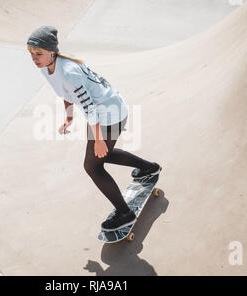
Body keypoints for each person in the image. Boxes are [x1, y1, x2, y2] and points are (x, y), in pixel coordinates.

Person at [27, 25, 161, 231]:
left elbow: (89, 108)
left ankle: (125, 213)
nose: (34, 58)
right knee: (102, 155)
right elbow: (65, 94)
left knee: (93, 166)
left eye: (39, 53)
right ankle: (148, 168)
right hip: (107, 112)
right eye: (31, 53)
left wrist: (98, 140)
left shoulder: (68, 72)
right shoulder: (48, 67)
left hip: (110, 115)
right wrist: (69, 118)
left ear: (52, 52)